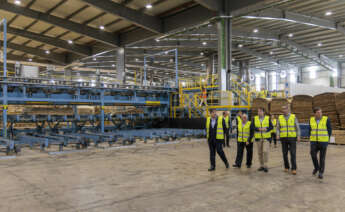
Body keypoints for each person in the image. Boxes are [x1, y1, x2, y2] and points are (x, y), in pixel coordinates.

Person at [308, 107, 332, 179]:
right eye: (318, 112)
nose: (320, 114)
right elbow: (310, 130)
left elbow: (329, 130)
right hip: (314, 141)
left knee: (322, 158)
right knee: (313, 154)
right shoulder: (311, 120)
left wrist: (327, 140)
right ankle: (316, 167)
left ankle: (321, 172)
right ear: (314, 113)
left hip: (323, 141)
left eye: (321, 112)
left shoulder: (326, 119)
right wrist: (310, 138)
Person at [276, 105, 300, 175]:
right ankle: (286, 166)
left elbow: (297, 127)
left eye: (285, 109)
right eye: (283, 109)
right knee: (284, 154)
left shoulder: (293, 117)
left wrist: (298, 136)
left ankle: (294, 168)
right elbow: (278, 128)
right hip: (283, 138)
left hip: (292, 138)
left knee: (293, 153)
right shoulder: (280, 118)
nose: (284, 110)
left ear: (288, 109)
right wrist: (277, 134)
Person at [250, 107, 273, 173]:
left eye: (260, 111)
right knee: (260, 153)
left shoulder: (267, 118)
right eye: (258, 111)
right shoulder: (255, 118)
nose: (259, 112)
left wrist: (266, 129)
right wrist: (258, 129)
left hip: (266, 138)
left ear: (263, 112)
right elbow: (252, 127)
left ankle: (265, 165)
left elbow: (271, 127)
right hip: (258, 138)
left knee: (265, 151)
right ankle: (261, 165)